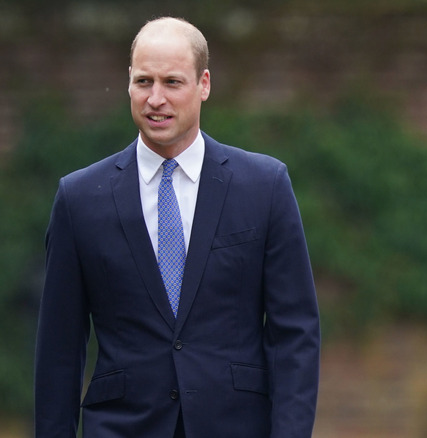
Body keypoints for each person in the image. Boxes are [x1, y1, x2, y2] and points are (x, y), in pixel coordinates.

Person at [34, 17, 320, 438]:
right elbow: (59, 347)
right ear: (128, 82)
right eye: (144, 81)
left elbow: (294, 334)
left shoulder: (265, 186)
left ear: (204, 84)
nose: (155, 99)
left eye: (172, 82)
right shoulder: (79, 199)